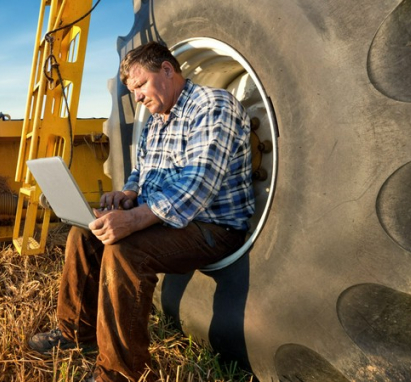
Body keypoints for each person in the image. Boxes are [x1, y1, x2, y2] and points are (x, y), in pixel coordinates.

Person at [27, 41, 255, 382]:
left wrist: (133, 220)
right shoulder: (157, 121)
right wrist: (128, 194)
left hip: (212, 227)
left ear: (166, 69)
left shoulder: (212, 105)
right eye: (132, 90)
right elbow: (142, 170)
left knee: (124, 250)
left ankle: (120, 372)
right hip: (170, 221)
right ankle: (76, 332)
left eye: (140, 85)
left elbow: (197, 187)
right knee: (84, 234)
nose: (137, 97)